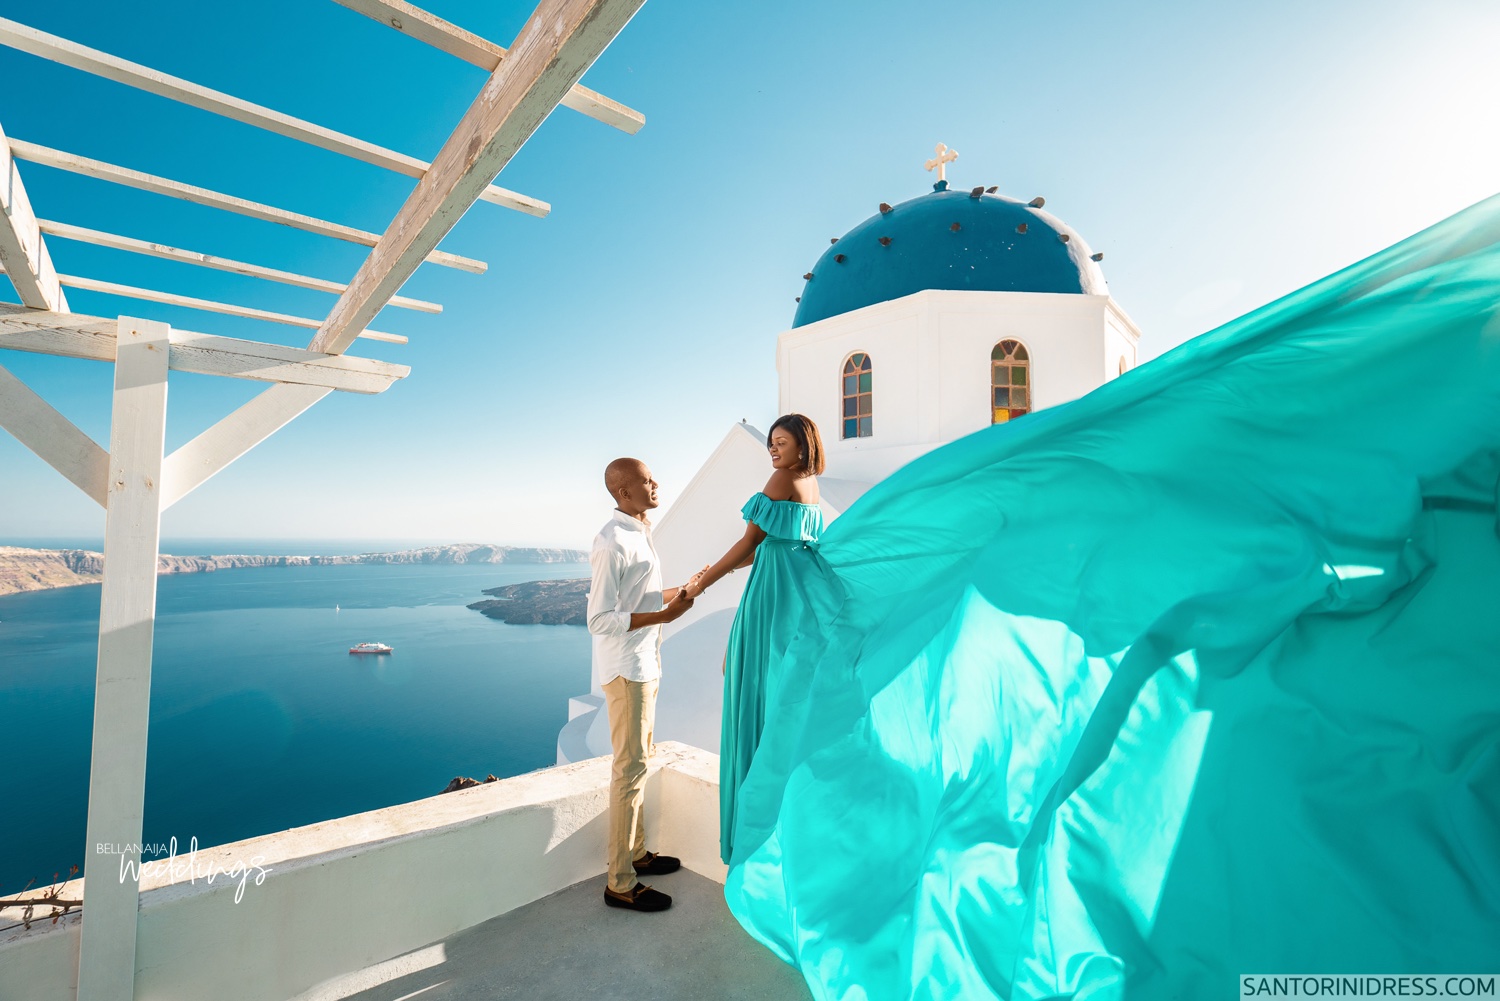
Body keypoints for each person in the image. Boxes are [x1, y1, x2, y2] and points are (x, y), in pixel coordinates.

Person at [681, 414, 827, 864]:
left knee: (750, 698)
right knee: (775, 703)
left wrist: (699, 585)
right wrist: (713, 571)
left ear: (803, 446)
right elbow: (767, 548)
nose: (773, 450)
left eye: (781, 442)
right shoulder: (812, 489)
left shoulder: (782, 479)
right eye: (770, 444)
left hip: (767, 604)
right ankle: (776, 833)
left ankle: (746, 837)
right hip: (792, 603)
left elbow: (748, 545)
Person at [587, 457, 694, 912]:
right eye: (646, 481)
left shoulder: (638, 532)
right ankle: (620, 883)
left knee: (640, 764)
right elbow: (598, 619)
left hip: (644, 665)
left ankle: (636, 854)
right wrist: (664, 615)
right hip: (627, 671)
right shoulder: (612, 541)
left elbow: (643, 601)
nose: (656, 485)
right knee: (629, 772)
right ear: (623, 493)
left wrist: (686, 590)